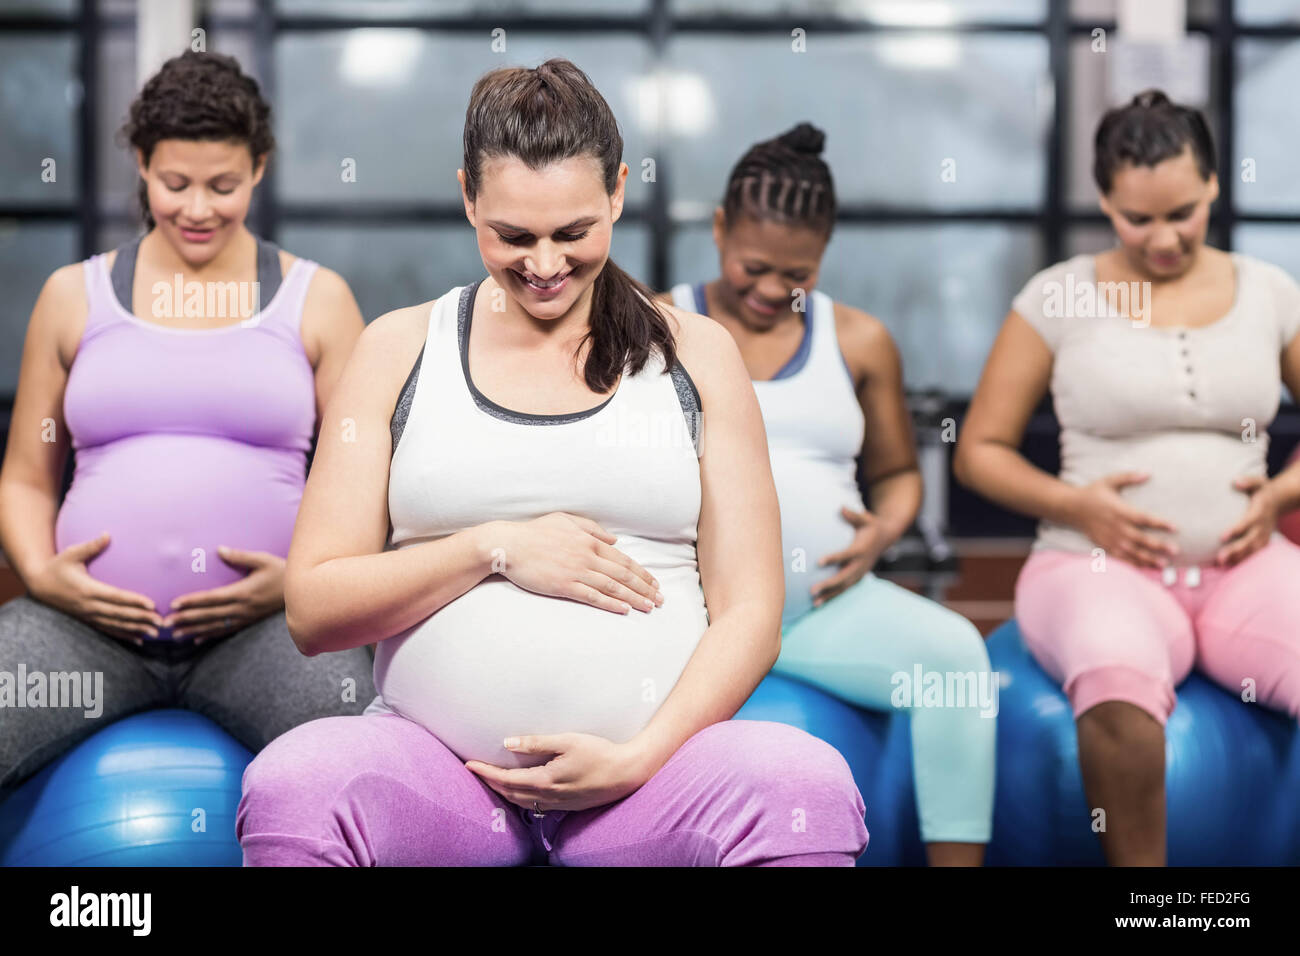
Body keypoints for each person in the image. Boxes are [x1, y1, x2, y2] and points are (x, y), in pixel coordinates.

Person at [235, 59, 870, 867]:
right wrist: (493, 546)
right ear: (469, 195)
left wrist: (636, 758)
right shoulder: (398, 348)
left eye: (573, 234)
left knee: (803, 784)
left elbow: (751, 612)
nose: (543, 265)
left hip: (651, 779)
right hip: (442, 772)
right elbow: (314, 609)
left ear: (617, 193)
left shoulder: (697, 355)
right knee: (296, 782)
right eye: (512, 235)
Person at [0, 51, 375, 800]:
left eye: (223, 185)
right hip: (84, 631)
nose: (198, 209)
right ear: (141, 164)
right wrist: (44, 577)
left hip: (271, 633)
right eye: (175, 184)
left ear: (260, 168)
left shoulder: (319, 299)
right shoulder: (71, 296)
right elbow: (23, 476)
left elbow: (370, 486)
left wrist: (303, 585)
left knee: (364, 764)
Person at [955, 89, 1300, 866]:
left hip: (1248, 567)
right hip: (1097, 566)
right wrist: (1078, 506)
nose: (1164, 238)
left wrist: (1278, 494)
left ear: (1213, 184)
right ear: (1105, 200)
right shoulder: (1057, 296)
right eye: (1136, 218)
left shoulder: (1271, 293)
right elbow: (980, 449)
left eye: (1183, 212)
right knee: (1116, 681)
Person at [661, 123, 994, 866]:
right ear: (718, 230)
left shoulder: (860, 340)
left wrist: (883, 531)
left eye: (796, 274)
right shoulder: (657, 325)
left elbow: (898, 475)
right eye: (754, 268)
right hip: (694, 624)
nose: (773, 291)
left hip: (822, 615)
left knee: (958, 661)